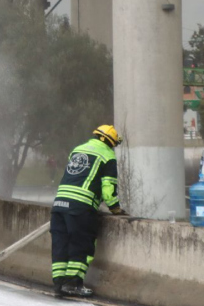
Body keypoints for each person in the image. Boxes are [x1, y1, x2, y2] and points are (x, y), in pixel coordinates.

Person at [51, 125, 126, 298]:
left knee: (60, 245)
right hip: (80, 207)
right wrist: (115, 208)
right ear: (111, 143)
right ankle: (73, 284)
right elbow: (108, 188)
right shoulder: (108, 156)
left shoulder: (77, 149)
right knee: (81, 244)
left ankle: (59, 284)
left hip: (59, 205)